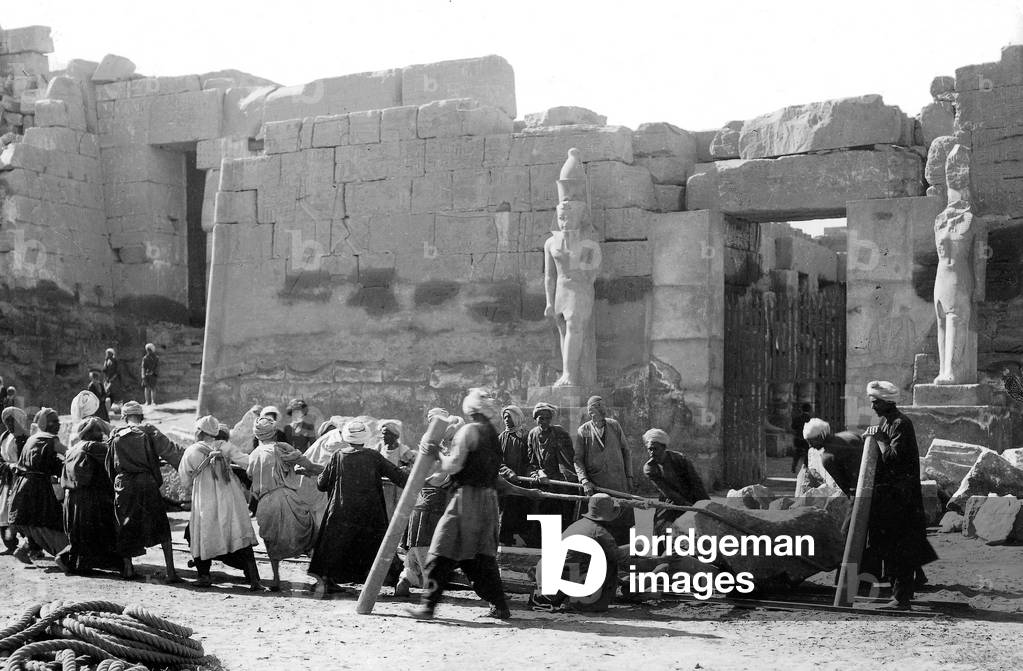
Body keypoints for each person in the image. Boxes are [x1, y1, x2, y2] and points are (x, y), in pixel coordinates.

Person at [409, 389, 543, 620]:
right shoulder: (493, 435)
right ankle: (500, 606)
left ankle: (427, 606)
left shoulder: (468, 431)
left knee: (442, 551)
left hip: (466, 502)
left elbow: (453, 467)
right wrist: (528, 492)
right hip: (488, 503)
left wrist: (437, 454)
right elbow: (495, 479)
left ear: (469, 410)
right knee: (479, 558)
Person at [308, 419, 409, 594]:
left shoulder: (338, 456)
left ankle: (325, 582)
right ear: (366, 437)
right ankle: (397, 583)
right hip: (369, 513)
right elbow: (399, 477)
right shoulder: (373, 456)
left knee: (332, 546)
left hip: (340, 512)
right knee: (378, 546)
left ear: (347, 437)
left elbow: (321, 484)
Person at [862, 381, 938, 610]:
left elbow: (893, 458)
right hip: (893, 498)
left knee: (901, 549)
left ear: (886, 402)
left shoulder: (900, 424)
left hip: (902, 500)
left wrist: (880, 440)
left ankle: (901, 599)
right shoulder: (888, 422)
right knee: (894, 548)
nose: (872, 406)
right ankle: (901, 595)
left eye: (875, 402)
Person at [179, 415, 261, 590]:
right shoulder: (225, 446)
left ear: (200, 432)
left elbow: (185, 480)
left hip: (205, 497)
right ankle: (253, 577)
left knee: (201, 532)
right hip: (230, 496)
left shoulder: (192, 451)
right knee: (236, 529)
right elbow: (248, 462)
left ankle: (204, 575)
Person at [105, 400, 180, 582]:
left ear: (124, 417)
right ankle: (171, 571)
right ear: (141, 416)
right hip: (146, 482)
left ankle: (128, 569)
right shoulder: (148, 430)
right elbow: (170, 451)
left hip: (123, 484)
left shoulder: (115, 433)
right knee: (160, 524)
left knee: (124, 524)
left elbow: (109, 465)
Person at [248, 416, 322, 591]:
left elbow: (251, 476)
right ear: (274, 432)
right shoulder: (282, 448)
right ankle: (320, 578)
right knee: (308, 534)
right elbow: (310, 466)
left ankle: (275, 579)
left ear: (258, 435)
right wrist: (332, 468)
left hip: (265, 501)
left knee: (272, 539)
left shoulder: (254, 454)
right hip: (287, 497)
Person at [528, 493, 621, 613]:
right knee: (609, 564)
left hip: (545, 579)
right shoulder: (599, 532)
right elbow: (619, 557)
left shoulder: (579, 524)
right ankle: (585, 603)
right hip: (558, 583)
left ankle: (561, 598)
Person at [8, 408, 69, 566]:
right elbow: (69, 454)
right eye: (54, 421)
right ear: (44, 423)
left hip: (23, 486)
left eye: (58, 421)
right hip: (38, 487)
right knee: (47, 519)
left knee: (32, 520)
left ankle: (25, 549)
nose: (58, 424)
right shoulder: (50, 439)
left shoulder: (32, 439)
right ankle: (62, 554)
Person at [59, 417, 120, 575]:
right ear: (89, 433)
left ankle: (72, 561)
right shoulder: (93, 446)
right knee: (92, 530)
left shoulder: (74, 447)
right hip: (88, 497)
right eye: (97, 430)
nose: (100, 433)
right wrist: (109, 431)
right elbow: (115, 450)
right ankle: (68, 559)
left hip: (71, 497)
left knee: (79, 533)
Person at [575, 395, 635, 544]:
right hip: (597, 484)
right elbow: (578, 459)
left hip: (618, 482)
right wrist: (584, 480)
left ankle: (625, 553)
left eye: (603, 408)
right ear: (590, 412)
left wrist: (629, 477)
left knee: (623, 517)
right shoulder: (584, 431)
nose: (602, 412)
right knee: (600, 519)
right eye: (597, 409)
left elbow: (626, 451)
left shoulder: (614, 425)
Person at [642, 428, 709, 534]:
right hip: (670, 501)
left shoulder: (680, 459)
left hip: (691, 497)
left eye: (655, 449)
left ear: (664, 448)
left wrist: (705, 504)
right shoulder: (650, 468)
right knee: (662, 528)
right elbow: (667, 491)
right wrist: (687, 507)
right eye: (649, 449)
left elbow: (696, 483)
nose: (651, 452)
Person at [527, 402, 577, 531]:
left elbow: (568, 458)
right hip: (543, 482)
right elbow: (531, 461)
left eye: (547, 418)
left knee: (562, 514)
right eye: (541, 418)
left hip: (559, 481)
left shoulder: (559, 432)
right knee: (542, 514)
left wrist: (564, 476)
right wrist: (538, 472)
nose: (544, 421)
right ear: (535, 419)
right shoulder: (532, 434)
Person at [497, 405, 539, 546]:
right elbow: (498, 461)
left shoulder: (527, 436)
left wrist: (529, 474)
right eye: (505, 417)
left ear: (517, 417)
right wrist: (508, 473)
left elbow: (531, 460)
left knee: (522, 512)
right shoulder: (501, 437)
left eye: (509, 417)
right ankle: (504, 540)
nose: (507, 420)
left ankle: (521, 540)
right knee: (506, 513)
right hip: (507, 484)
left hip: (523, 483)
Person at [801, 418, 864, 497]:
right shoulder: (850, 434)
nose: (810, 445)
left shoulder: (827, 458)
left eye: (811, 441)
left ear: (821, 436)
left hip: (862, 491)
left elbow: (846, 487)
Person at [0, 407, 30, 554]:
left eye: (11, 421)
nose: (9, 425)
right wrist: (7, 465)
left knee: (21, 511)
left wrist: (16, 466)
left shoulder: (24, 438)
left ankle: (31, 545)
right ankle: (10, 545)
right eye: (6, 422)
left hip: (20, 478)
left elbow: (27, 460)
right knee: (3, 512)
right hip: (7, 479)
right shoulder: (4, 437)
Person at [376, 420, 415, 518]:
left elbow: (414, 466)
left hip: (397, 488)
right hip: (384, 486)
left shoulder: (403, 450)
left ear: (395, 436)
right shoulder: (380, 447)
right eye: (383, 434)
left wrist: (406, 469)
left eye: (387, 434)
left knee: (396, 513)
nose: (383, 437)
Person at [790, 403, 813, 474]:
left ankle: (794, 466)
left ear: (801, 409)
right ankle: (806, 468)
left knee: (797, 453)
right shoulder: (811, 419)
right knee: (807, 454)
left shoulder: (797, 418)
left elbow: (793, 427)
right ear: (810, 410)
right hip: (807, 440)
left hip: (798, 438)